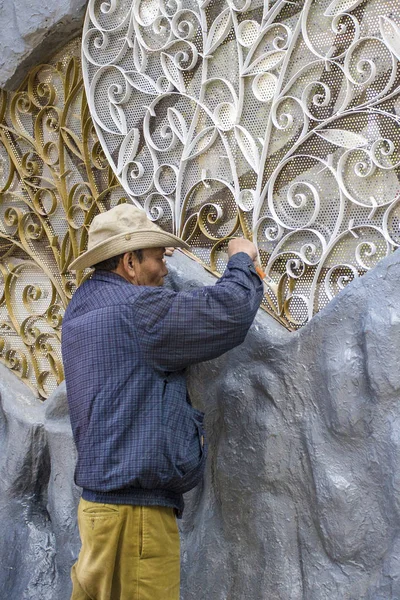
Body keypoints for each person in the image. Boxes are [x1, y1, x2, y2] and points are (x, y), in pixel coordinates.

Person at [62, 203, 263, 600]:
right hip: (135, 521)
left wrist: (152, 256)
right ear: (129, 262)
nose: (166, 268)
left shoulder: (81, 311)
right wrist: (240, 258)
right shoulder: (137, 313)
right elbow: (228, 312)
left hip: (99, 512)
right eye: (156, 258)